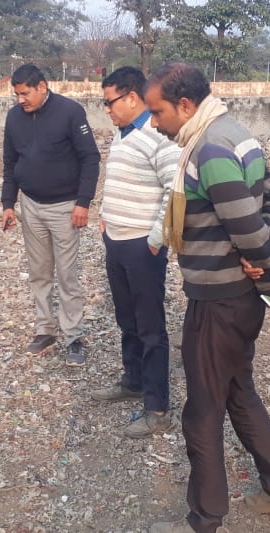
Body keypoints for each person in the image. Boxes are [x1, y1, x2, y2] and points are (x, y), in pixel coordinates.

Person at [142, 63, 270, 533]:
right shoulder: (235, 133)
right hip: (239, 300)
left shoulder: (210, 149)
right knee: (238, 392)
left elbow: (250, 232)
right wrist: (259, 263)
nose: (153, 122)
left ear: (185, 105)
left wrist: (263, 265)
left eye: (157, 112)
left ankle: (205, 520)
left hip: (218, 302)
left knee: (202, 412)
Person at [88, 66, 180, 438]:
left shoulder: (158, 136)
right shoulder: (123, 134)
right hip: (117, 242)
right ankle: (134, 381)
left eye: (109, 102)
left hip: (143, 247)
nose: (106, 109)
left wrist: (156, 237)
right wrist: (106, 216)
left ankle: (157, 408)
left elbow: (174, 190)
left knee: (150, 327)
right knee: (126, 319)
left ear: (131, 97)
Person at [1, 63, 101, 366]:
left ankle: (73, 336)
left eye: (25, 94)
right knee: (39, 272)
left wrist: (83, 202)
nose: (21, 100)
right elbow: (10, 163)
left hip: (65, 208)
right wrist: (8, 203)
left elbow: (90, 158)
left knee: (67, 275)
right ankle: (45, 330)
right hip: (31, 206)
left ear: (42, 87)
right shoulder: (14, 117)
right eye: (17, 95)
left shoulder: (70, 112)